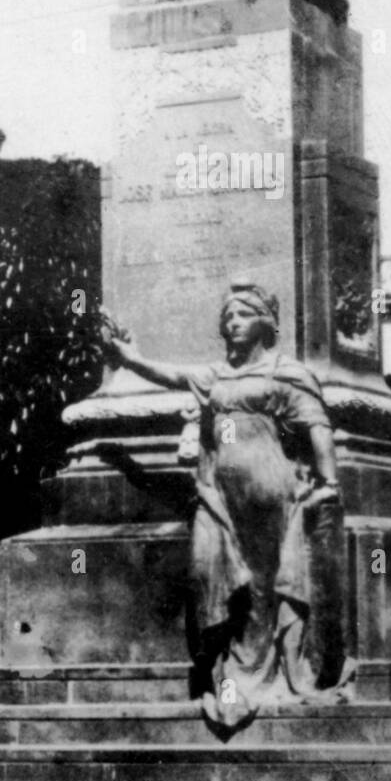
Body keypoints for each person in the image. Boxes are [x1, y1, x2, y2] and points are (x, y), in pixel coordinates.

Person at [103, 281, 350, 732]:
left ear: (265, 324)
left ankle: (267, 668)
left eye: (242, 316)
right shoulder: (215, 376)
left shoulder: (284, 372)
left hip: (274, 495)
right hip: (220, 497)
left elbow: (318, 427)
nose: (232, 324)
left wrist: (330, 482)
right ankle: (232, 673)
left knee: (267, 585)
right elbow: (172, 376)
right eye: (228, 318)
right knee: (212, 575)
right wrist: (131, 358)